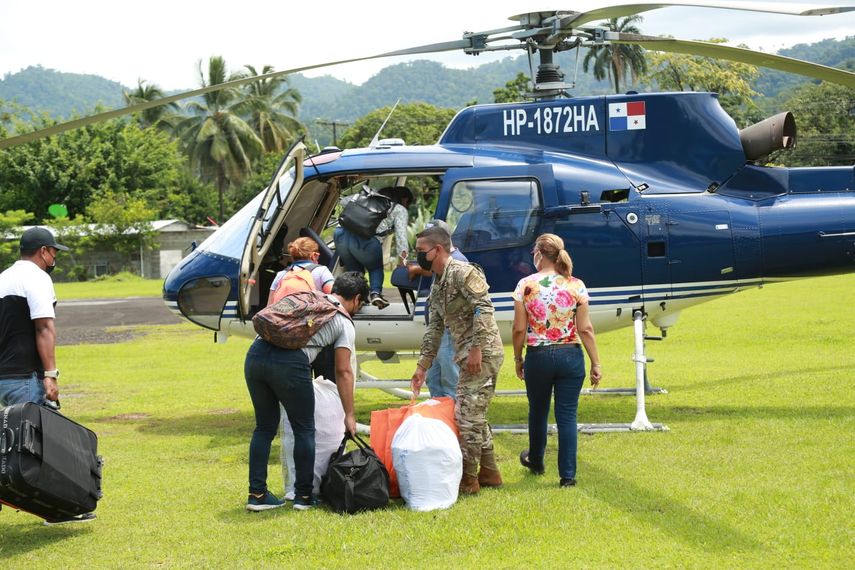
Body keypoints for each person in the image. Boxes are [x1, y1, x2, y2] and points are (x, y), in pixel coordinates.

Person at [244, 272, 368, 511]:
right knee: (304, 429)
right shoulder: (342, 319)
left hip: (255, 356)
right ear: (357, 299)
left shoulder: (309, 297)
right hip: (289, 364)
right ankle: (303, 496)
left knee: (264, 427)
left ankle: (257, 494)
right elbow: (343, 371)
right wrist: (349, 414)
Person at [0, 227, 96, 525]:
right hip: (23, 376)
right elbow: (44, 327)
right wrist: (50, 375)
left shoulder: (3, 277)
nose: (55, 257)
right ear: (43, 251)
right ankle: (56, 510)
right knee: (38, 445)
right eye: (54, 251)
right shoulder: (37, 279)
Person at [410, 225, 504, 494]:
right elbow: (435, 327)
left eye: (420, 252)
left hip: (482, 354)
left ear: (437, 249)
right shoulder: (438, 282)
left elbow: (483, 309)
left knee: (467, 417)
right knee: (473, 414)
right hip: (466, 354)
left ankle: (468, 479)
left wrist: (476, 348)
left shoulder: (464, 272)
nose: (417, 257)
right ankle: (490, 473)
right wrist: (422, 367)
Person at [511, 233, 602, 488]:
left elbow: (519, 329)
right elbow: (585, 329)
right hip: (570, 355)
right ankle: (568, 476)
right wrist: (596, 362)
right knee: (567, 416)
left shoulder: (526, 285)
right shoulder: (576, 285)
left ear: (539, 254)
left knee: (538, 411)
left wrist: (518, 358)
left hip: (538, 356)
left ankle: (537, 460)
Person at [406, 219, 468, 399]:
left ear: (439, 245)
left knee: (450, 385)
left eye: (423, 250)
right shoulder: (440, 264)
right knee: (434, 383)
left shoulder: (458, 265)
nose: (420, 254)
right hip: (438, 333)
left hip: (450, 333)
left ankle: (452, 424)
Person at [334, 186, 412, 309]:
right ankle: (375, 293)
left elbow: (343, 201)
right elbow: (401, 238)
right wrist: (404, 262)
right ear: (404, 199)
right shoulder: (399, 209)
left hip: (340, 234)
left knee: (354, 270)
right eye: (408, 203)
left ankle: (357, 299)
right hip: (366, 241)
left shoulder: (362, 197)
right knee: (375, 268)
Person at [267, 237, 335, 305]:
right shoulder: (321, 271)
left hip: (282, 314)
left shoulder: (281, 274)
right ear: (313, 255)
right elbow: (335, 299)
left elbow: (269, 306)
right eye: (317, 255)